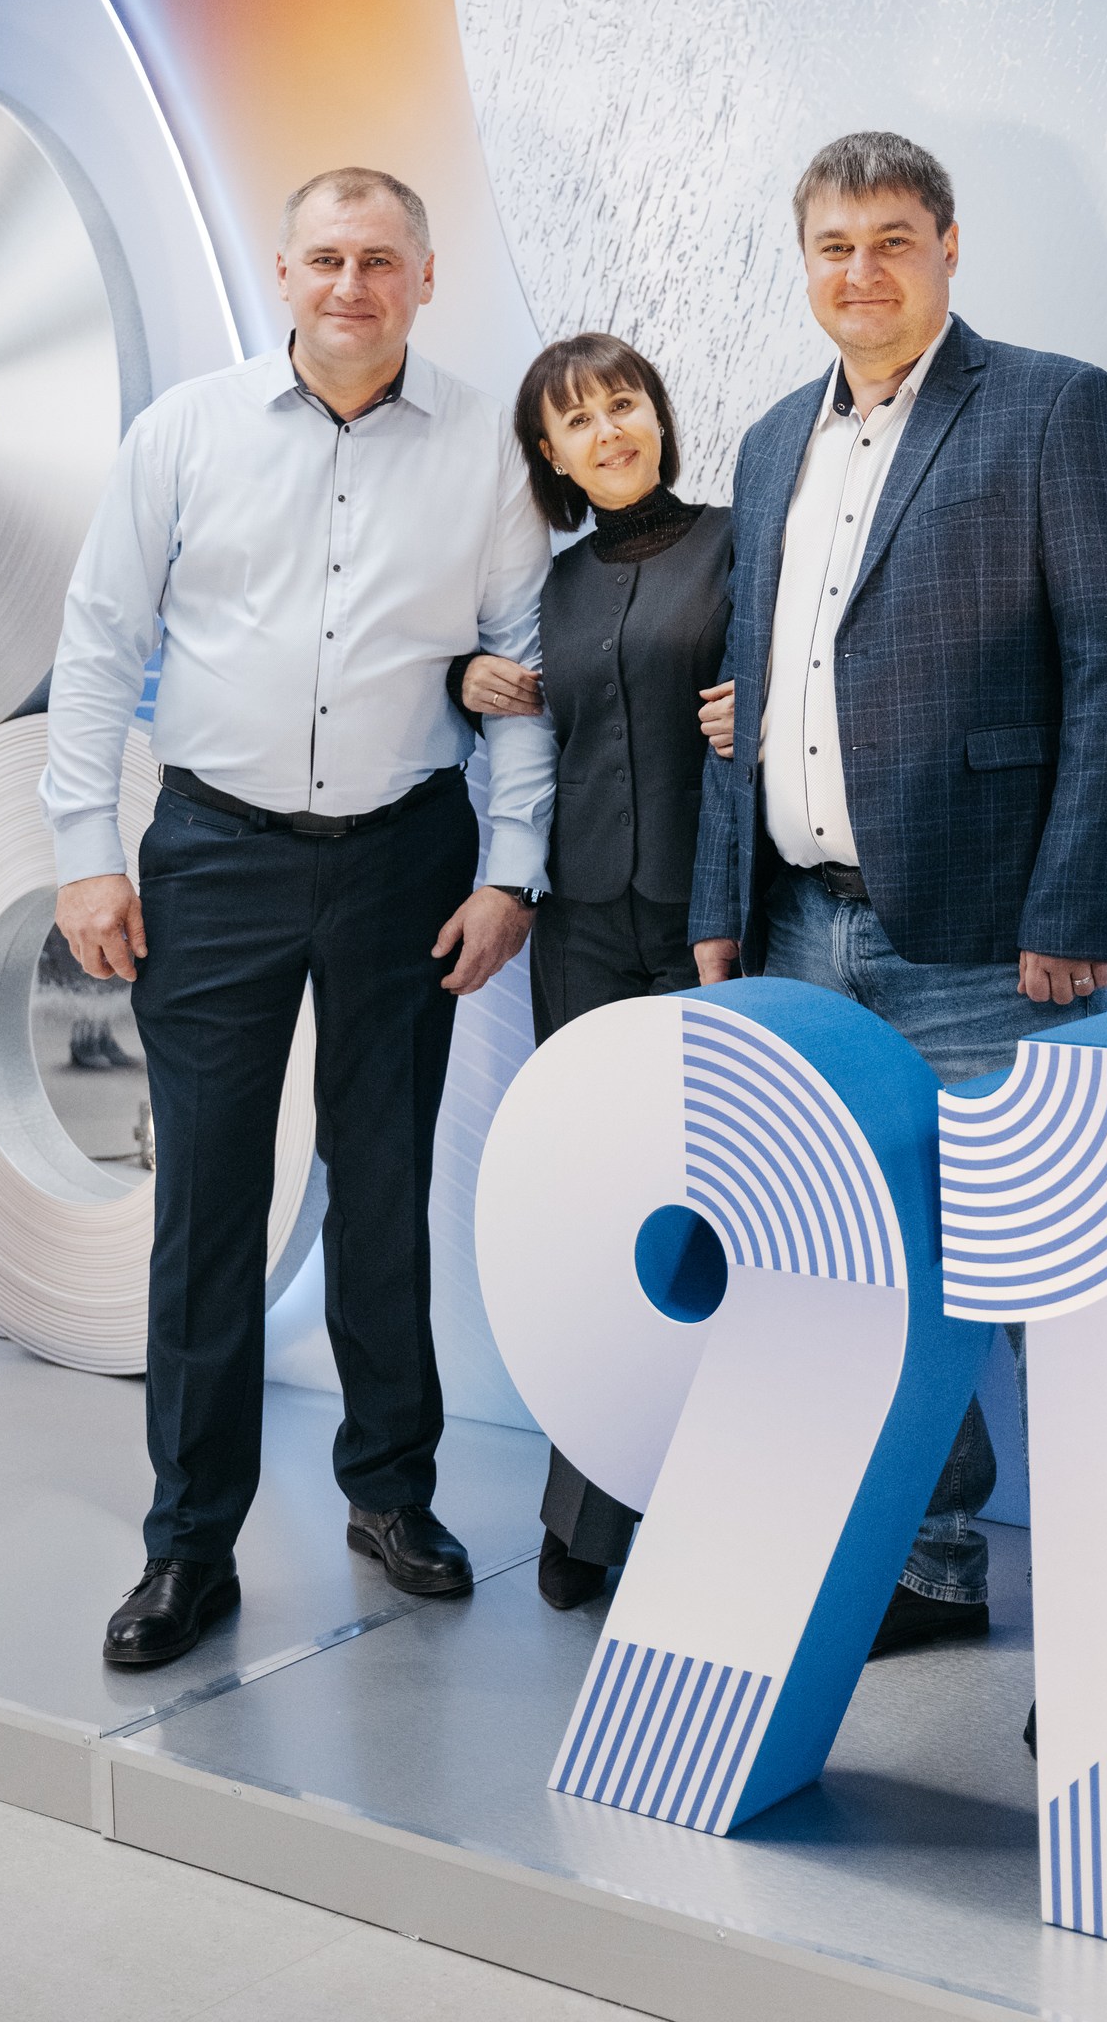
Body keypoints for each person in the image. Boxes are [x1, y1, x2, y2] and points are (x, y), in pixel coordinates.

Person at [42, 166, 557, 1669]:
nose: (351, 284)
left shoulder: (486, 450)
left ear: (426, 278)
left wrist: (510, 871)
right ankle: (187, 1547)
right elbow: (99, 641)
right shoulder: (184, 433)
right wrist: (84, 851)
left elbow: (522, 672)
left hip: (408, 859)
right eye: (326, 258)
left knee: (385, 1186)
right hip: (215, 856)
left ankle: (390, 1494)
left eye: (380, 260)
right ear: (282, 273)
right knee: (205, 1206)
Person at [689, 130, 1107, 1664]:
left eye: (891, 239)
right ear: (803, 264)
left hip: (983, 936)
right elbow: (756, 683)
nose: (861, 272)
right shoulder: (769, 440)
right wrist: (719, 902)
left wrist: (1071, 903)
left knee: (1046, 1288)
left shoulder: (1051, 408)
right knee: (860, 1273)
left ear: (947, 248)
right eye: (833, 246)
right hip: (796, 926)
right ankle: (933, 1567)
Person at [455, 333, 733, 1611]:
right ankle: (588, 1511)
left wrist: (755, 702)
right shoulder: (550, 587)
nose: (608, 430)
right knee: (598, 1209)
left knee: (720, 1215)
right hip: (579, 929)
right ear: (551, 456)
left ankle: (721, 1510)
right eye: (577, 420)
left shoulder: (736, 543)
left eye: (624, 404)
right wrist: (460, 676)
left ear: (659, 417)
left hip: (711, 923)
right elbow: (491, 702)